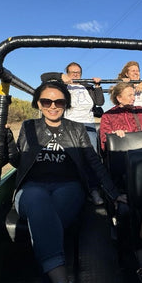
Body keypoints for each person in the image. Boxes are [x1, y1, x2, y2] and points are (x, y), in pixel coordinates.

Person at [0, 80, 123, 283]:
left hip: (68, 186)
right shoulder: (29, 126)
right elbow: (18, 161)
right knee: (38, 200)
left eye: (59, 102)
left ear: (66, 104)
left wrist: (114, 194)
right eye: (46, 102)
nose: (52, 106)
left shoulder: (76, 129)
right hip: (32, 187)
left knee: (47, 223)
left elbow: (93, 163)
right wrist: (4, 136)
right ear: (38, 104)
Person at [41, 62, 105, 205]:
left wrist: (98, 86)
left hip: (88, 124)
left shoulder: (87, 86)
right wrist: (60, 77)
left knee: (92, 157)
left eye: (78, 72)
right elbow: (43, 77)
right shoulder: (62, 86)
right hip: (68, 124)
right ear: (67, 73)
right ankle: (69, 189)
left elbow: (100, 102)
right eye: (72, 72)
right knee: (68, 157)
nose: (75, 75)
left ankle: (93, 189)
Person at [99, 82, 142, 151]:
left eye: (133, 95)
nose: (133, 98)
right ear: (119, 98)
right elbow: (104, 142)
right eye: (130, 95)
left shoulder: (140, 110)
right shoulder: (108, 115)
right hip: (123, 152)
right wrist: (114, 136)